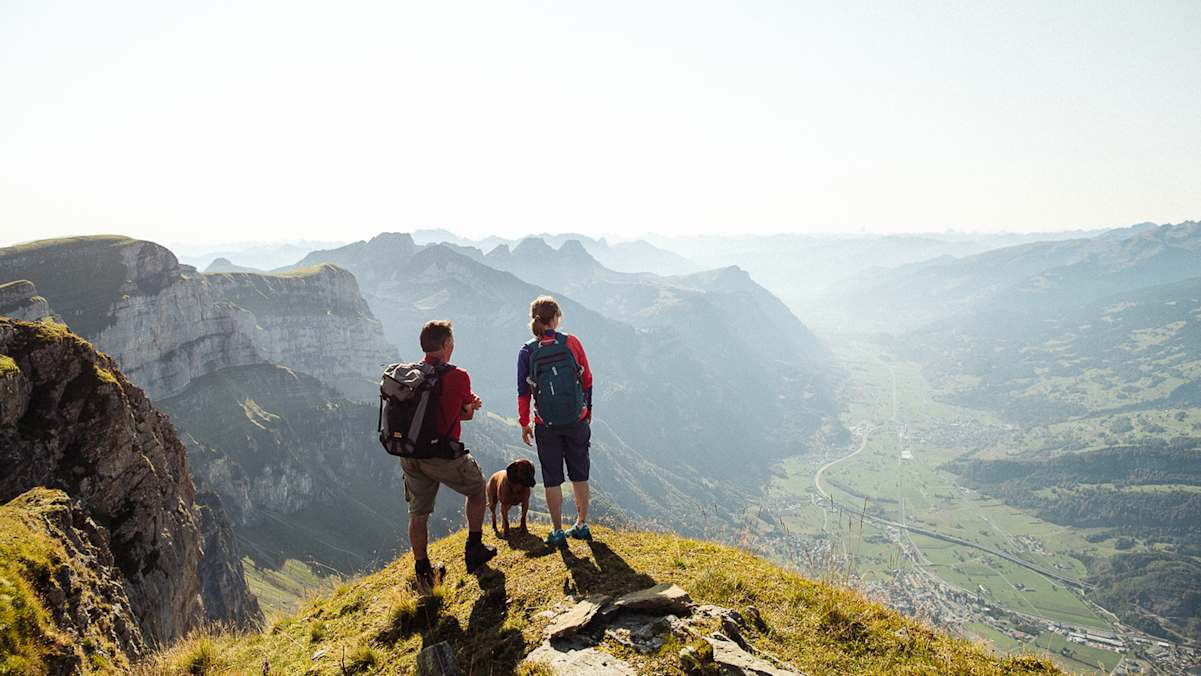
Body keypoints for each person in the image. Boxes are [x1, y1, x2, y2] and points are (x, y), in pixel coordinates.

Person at [401, 320, 496, 592]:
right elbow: (464, 414)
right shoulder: (458, 376)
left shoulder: (410, 374)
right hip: (440, 453)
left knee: (418, 513)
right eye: (451, 342)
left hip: (410, 453)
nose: (453, 346)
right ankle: (474, 549)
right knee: (477, 489)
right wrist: (472, 406)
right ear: (445, 345)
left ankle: (424, 573)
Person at [517, 296, 594, 548]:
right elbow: (587, 378)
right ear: (556, 318)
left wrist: (524, 422)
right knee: (579, 473)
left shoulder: (527, 351)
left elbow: (523, 392)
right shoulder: (571, 342)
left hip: (545, 423)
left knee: (552, 478)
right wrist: (588, 409)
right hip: (576, 419)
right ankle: (581, 524)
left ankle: (558, 531)